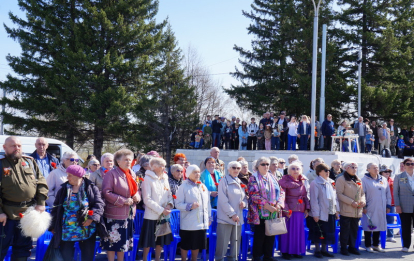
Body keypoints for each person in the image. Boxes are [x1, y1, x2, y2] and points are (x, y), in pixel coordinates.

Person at [0, 136, 48, 261]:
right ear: (4, 147)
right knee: (1, 248)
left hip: (27, 214)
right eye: (13, 146)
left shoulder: (30, 162)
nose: (17, 148)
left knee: (23, 249)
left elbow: (42, 183)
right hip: (6, 215)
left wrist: (41, 202)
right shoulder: (1, 164)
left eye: (19, 146)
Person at [50, 165, 104, 261]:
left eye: (70, 175)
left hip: (86, 228)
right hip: (67, 229)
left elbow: (99, 205)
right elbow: (56, 209)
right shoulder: (63, 189)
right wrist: (52, 225)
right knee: (66, 256)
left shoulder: (91, 188)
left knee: (87, 257)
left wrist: (91, 218)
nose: (67, 178)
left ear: (78, 176)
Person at [102, 149, 140, 261]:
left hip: (128, 214)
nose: (128, 162)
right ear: (118, 161)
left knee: (124, 243)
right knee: (112, 243)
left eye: (130, 159)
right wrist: (123, 200)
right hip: (114, 215)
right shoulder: (111, 174)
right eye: (125, 160)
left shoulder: (132, 173)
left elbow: (136, 190)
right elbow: (106, 192)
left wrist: (138, 195)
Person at [247, 157, 285, 261]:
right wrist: (267, 206)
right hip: (260, 212)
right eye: (263, 164)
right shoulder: (253, 178)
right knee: (260, 235)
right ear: (257, 166)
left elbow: (281, 191)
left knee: (271, 234)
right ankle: (257, 256)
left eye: (267, 164)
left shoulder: (273, 177)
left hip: (273, 211)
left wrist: (278, 205)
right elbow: (253, 194)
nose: (266, 166)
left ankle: (268, 256)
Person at [175, 165, 211, 261]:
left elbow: (208, 204)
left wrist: (209, 218)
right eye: (195, 172)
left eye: (199, 172)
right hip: (188, 222)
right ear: (189, 174)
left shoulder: (202, 186)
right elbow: (177, 204)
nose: (198, 174)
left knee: (197, 244)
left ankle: (194, 259)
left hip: (201, 222)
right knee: (186, 244)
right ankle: (183, 259)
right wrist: (189, 206)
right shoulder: (183, 186)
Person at [215, 162, 248, 261]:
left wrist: (244, 203)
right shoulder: (223, 181)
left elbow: (245, 198)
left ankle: (233, 259)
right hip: (226, 218)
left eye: (238, 168)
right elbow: (222, 200)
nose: (236, 170)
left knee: (236, 242)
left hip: (238, 218)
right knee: (223, 244)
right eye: (234, 167)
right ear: (229, 169)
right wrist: (232, 214)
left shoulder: (239, 181)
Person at [279, 161, 310, 259]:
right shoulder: (285, 180)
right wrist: (286, 209)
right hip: (289, 209)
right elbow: (282, 196)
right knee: (287, 232)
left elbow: (305, 195)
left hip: (300, 210)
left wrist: (307, 208)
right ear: (288, 170)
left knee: (298, 232)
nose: (295, 171)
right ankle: (285, 252)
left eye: (297, 169)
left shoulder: (303, 180)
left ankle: (296, 251)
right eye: (293, 168)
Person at [308, 163, 339, 258]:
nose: (328, 172)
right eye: (325, 170)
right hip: (320, 212)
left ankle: (324, 249)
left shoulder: (331, 182)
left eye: (329, 170)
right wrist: (315, 214)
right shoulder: (315, 183)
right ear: (319, 172)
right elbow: (314, 199)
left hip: (330, 211)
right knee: (318, 231)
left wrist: (337, 210)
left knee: (328, 231)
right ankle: (317, 250)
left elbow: (335, 198)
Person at [336, 162, 366, 256]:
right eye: (352, 167)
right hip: (347, 208)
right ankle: (343, 247)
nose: (355, 169)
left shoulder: (358, 179)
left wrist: (362, 201)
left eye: (356, 167)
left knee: (354, 229)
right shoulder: (341, 179)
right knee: (345, 229)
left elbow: (362, 193)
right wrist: (351, 202)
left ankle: (352, 247)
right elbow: (339, 194)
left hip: (357, 210)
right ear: (346, 168)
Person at [361, 163, 391, 253]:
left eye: (377, 168)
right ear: (368, 169)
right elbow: (362, 194)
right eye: (374, 168)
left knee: (378, 225)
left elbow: (388, 194)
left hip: (381, 207)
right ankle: (367, 245)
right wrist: (364, 206)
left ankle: (376, 245)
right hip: (370, 206)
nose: (376, 169)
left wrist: (388, 205)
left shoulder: (384, 179)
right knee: (369, 225)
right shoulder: (364, 180)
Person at [394, 158, 414, 252]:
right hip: (404, 205)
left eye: (412, 164)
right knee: (406, 227)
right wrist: (397, 205)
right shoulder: (398, 176)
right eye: (408, 163)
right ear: (404, 165)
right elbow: (395, 193)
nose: (410, 165)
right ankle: (406, 245)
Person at [379, 165, 396, 242]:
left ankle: (390, 236)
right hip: (380, 203)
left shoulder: (393, 180)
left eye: (389, 172)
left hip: (391, 203)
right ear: (381, 172)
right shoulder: (378, 180)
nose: (387, 173)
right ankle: (379, 235)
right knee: (380, 220)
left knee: (390, 220)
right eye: (385, 171)